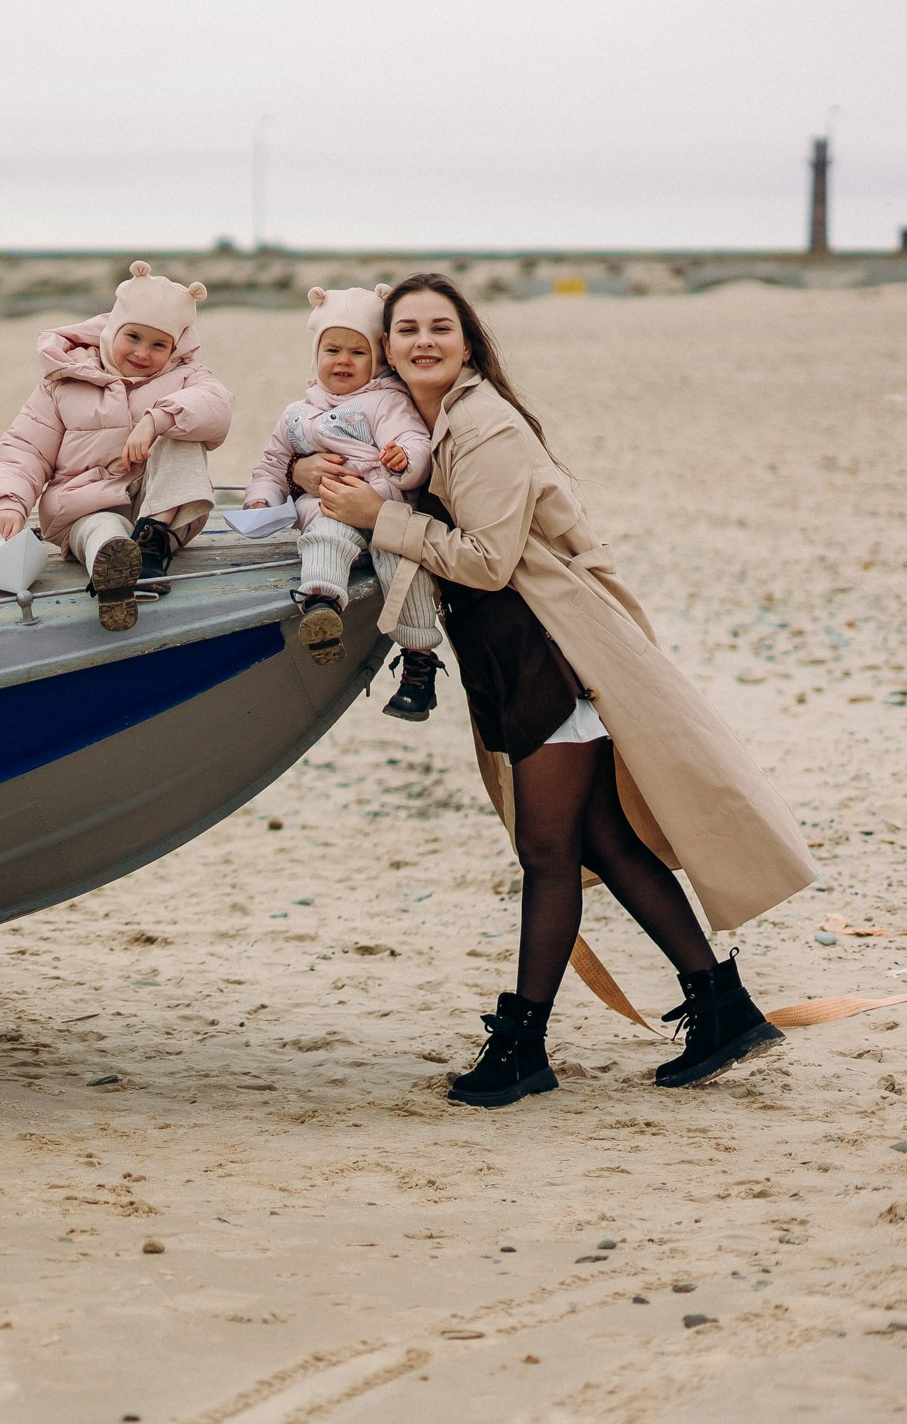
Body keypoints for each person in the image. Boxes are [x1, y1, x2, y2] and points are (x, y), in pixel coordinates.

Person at [312, 272, 814, 1108]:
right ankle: (722, 1008)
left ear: (468, 342)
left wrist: (380, 518)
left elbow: (486, 561)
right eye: (407, 330)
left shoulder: (483, 425)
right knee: (604, 843)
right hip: (514, 659)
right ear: (388, 347)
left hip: (554, 656)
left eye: (441, 327)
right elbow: (317, 445)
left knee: (549, 856)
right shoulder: (425, 421)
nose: (423, 341)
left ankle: (522, 1046)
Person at [0, 261, 233, 630]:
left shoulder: (187, 377)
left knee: (182, 431)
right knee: (100, 527)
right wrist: (10, 500)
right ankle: (113, 564)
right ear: (113, 327)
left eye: (159, 344)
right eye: (133, 337)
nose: (143, 353)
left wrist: (155, 420)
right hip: (85, 506)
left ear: (176, 346)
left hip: (164, 513)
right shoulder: (65, 382)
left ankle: (150, 546)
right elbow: (25, 449)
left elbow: (217, 405)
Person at [239, 284, 446, 718]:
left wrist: (404, 459)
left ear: (377, 358)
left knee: (403, 569)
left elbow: (413, 439)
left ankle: (419, 662)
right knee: (323, 537)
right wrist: (263, 499)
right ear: (316, 356)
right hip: (330, 508)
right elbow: (273, 462)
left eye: (357, 352)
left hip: (382, 506)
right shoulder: (297, 413)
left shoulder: (385, 400)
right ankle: (322, 606)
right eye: (332, 350)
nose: (343, 361)